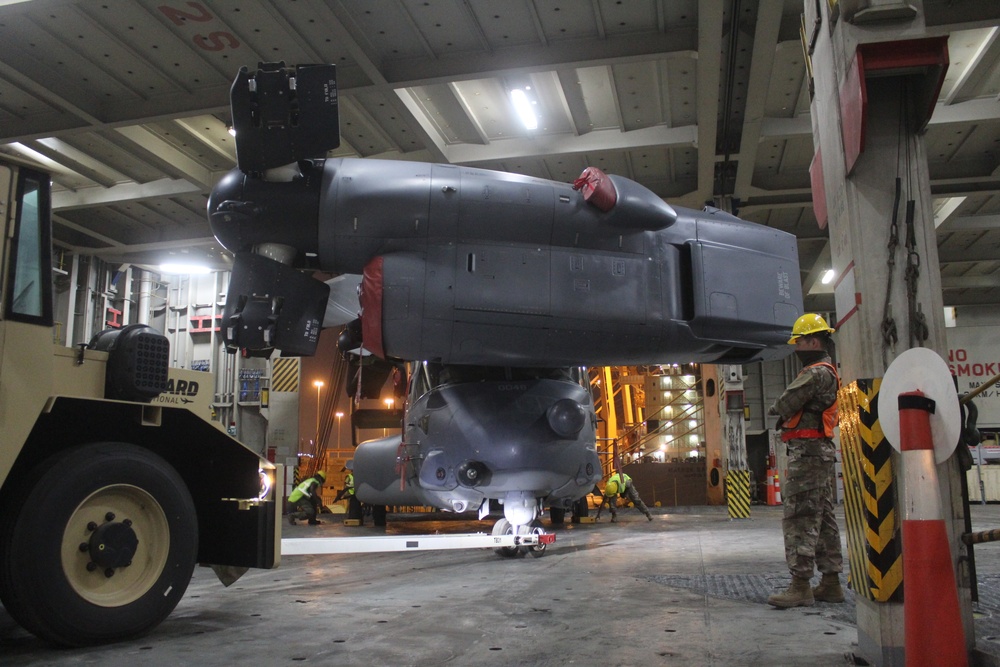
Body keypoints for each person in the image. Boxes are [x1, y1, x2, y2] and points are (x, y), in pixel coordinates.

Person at [767, 313, 844, 608]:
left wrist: (782, 410)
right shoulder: (829, 371)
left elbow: (782, 404)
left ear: (813, 340)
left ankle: (800, 586)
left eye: (799, 342)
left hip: (808, 455)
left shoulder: (815, 373)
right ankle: (831, 583)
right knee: (822, 518)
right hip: (818, 454)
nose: (796, 348)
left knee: (799, 517)